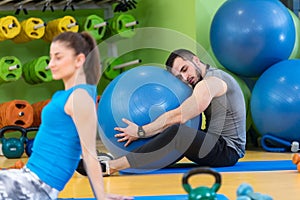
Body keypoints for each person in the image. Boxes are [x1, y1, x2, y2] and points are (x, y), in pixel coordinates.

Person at [0, 31, 132, 200]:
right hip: (26, 177)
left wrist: (101, 196)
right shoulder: (64, 95)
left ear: (79, 60)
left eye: (58, 57)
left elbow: (89, 154)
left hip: (36, 187)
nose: (51, 64)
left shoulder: (81, 97)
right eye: (50, 58)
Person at [98, 48, 246, 175]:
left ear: (195, 60)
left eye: (184, 69)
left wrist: (141, 131)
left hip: (227, 151)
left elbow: (181, 115)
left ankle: (111, 167)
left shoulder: (212, 81)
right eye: (179, 77)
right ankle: (120, 157)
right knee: (168, 127)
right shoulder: (205, 81)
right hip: (212, 143)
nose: (185, 78)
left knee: (177, 132)